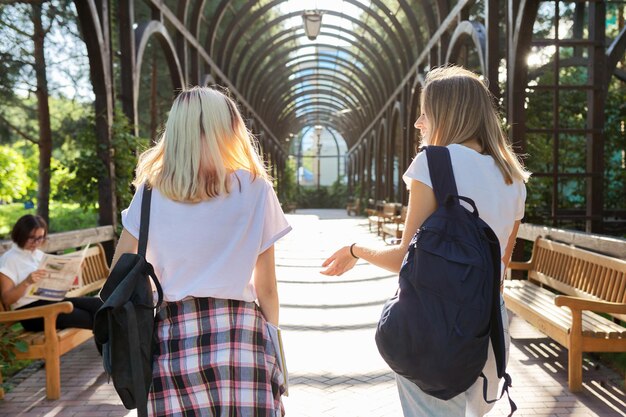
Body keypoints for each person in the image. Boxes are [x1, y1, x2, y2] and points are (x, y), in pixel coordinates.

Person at [321, 65, 530, 417]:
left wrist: (356, 250)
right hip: (488, 328)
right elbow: (500, 270)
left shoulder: (433, 163)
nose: (419, 122)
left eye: (425, 112)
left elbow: (404, 257)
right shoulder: (513, 178)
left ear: (449, 113)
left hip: (435, 324)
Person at [111, 86, 291, 417]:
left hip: (175, 336)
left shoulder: (151, 194)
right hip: (243, 337)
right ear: (229, 129)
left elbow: (120, 271)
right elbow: (266, 287)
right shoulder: (255, 188)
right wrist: (274, 347)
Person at [0, 214, 103, 332]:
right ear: (20, 235)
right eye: (32, 238)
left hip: (53, 302)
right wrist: (27, 282)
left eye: (40, 238)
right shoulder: (9, 260)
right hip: (33, 313)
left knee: (99, 305)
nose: (36, 242)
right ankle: (112, 349)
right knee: (97, 318)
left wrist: (73, 270)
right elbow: (7, 299)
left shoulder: (38, 255)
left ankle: (111, 348)